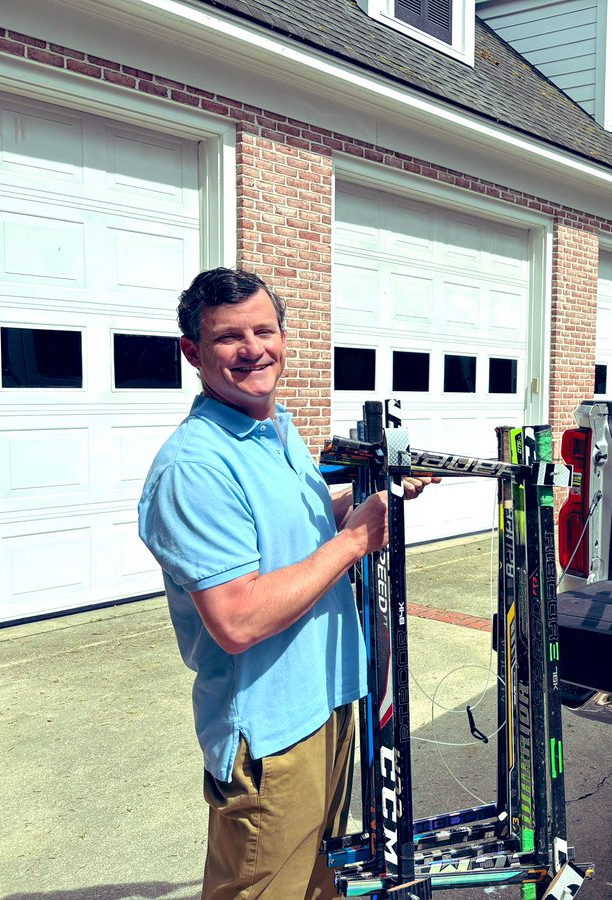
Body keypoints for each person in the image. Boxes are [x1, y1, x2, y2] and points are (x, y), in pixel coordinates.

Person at [138, 267, 435, 898]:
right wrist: (357, 539)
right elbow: (238, 617)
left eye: (264, 330)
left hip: (326, 703)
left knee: (318, 886)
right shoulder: (196, 467)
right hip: (271, 731)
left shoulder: (275, 431)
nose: (253, 349)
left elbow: (287, 532)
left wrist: (357, 502)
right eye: (229, 338)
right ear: (193, 352)